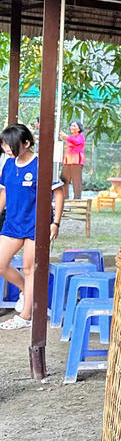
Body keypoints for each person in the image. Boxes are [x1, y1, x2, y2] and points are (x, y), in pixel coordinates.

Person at [0, 124, 66, 329]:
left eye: (10, 145)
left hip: (36, 226)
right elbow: (4, 193)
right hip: (12, 223)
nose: (7, 149)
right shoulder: (8, 164)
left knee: (30, 269)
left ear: (26, 143)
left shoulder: (41, 164)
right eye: (4, 145)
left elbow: (59, 193)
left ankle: (26, 316)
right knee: (1, 263)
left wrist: (55, 223)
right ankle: (24, 291)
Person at [59, 121, 85, 200]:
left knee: (76, 180)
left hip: (76, 161)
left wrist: (66, 136)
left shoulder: (80, 137)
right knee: (64, 178)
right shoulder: (70, 137)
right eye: (71, 126)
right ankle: (65, 197)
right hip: (68, 161)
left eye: (74, 126)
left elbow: (76, 142)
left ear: (79, 128)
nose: (72, 127)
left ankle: (77, 198)